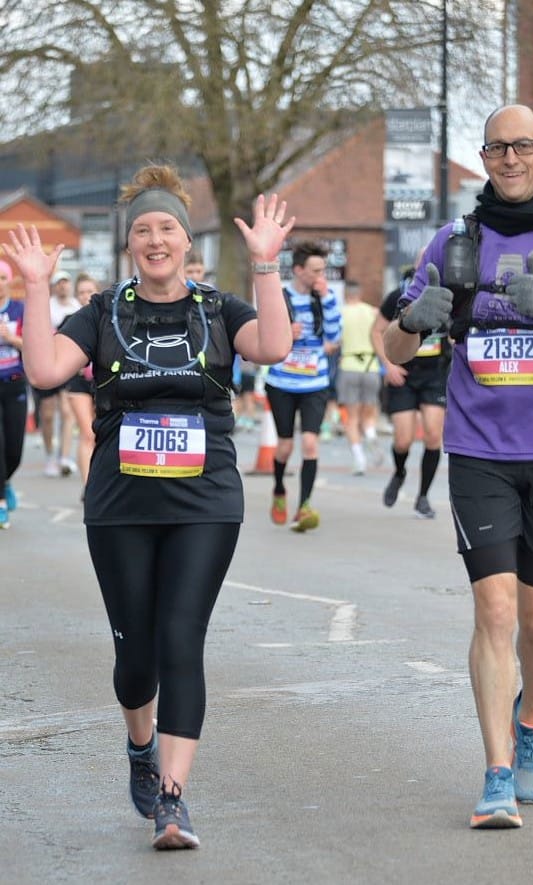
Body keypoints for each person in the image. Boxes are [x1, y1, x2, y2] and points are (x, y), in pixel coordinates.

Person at [4, 163, 294, 850]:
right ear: (130, 243)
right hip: (121, 502)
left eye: (167, 228)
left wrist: (264, 267)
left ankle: (172, 797)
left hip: (206, 499)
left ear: (186, 241)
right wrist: (38, 287)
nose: (156, 240)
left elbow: (275, 347)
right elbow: (45, 371)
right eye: (144, 230)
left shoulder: (220, 310)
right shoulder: (103, 312)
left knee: (180, 639)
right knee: (136, 657)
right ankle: (140, 743)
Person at [383, 104, 533, 830]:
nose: (510, 159)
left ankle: (530, 715)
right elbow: (396, 353)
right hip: (478, 451)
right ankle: (496, 771)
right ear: (484, 156)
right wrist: (410, 320)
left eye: (522, 146)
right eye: (497, 148)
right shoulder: (452, 240)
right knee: (493, 609)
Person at [265, 240, 342, 531]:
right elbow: (265, 336)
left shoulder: (326, 297)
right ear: (298, 270)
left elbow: (334, 337)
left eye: (323, 270)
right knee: (285, 446)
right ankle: (279, 487)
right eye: (315, 271)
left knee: (310, 443)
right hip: (282, 382)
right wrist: (286, 332)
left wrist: (327, 299)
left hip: (315, 381)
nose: (320, 276)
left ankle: (304, 506)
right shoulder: (280, 298)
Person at [371, 263, 449, 517]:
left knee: (433, 436)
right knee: (403, 440)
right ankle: (399, 471)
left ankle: (423, 497)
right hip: (403, 375)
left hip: (434, 375)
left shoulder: (450, 294)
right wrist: (387, 365)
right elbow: (376, 331)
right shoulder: (399, 295)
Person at [34, 270, 80, 477]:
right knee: (48, 415)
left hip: (68, 364)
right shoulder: (48, 307)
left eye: (66, 282)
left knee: (67, 411)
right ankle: (50, 455)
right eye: (59, 283)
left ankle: (64, 457)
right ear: (54, 286)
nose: (63, 286)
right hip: (46, 363)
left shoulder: (76, 307)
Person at [337, 280, 382, 474]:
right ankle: (371, 435)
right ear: (360, 293)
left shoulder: (340, 313)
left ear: (346, 294)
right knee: (369, 413)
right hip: (371, 366)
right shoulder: (372, 312)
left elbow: (334, 341)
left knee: (351, 418)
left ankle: (359, 458)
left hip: (348, 365)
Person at [65, 272, 99, 495]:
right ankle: (89, 488)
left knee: (101, 434)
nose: (86, 296)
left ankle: (100, 481)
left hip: (102, 382)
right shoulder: (71, 321)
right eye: (81, 292)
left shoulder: (108, 320)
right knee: (87, 433)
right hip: (78, 384)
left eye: (90, 291)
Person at [0, 259, 27, 529]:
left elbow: (31, 344)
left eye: (2, 277)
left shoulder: (19, 309)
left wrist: (10, 338)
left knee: (14, 449)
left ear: (9, 281)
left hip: (15, 382)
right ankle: (0, 504)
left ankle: (6, 480)